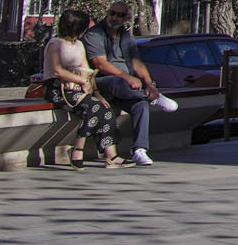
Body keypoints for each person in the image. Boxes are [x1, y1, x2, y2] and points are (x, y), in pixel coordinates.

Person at [86, 11, 176, 167]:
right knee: (117, 81)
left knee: (140, 106)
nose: (115, 18)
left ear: (126, 18)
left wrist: (149, 84)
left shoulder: (125, 37)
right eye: (112, 14)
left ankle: (139, 149)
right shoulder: (95, 35)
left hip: (126, 89)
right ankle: (149, 98)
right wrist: (126, 77)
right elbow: (100, 64)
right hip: (101, 83)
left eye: (120, 15)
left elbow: (136, 62)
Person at [40, 10, 111, 168]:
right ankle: (78, 149)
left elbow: (87, 71)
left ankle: (111, 155)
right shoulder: (55, 44)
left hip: (76, 89)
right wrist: (80, 80)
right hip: (57, 88)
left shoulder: (79, 45)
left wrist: (96, 92)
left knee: (104, 109)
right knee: (93, 107)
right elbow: (57, 70)